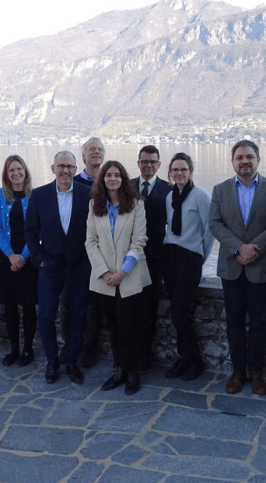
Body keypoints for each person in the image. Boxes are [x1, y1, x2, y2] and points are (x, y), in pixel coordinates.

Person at [209, 141, 266, 395]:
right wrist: (238, 248)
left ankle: (256, 372)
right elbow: (215, 223)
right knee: (233, 322)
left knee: (259, 322)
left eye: (249, 157)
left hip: (262, 266)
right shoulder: (220, 190)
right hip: (232, 266)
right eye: (239, 157)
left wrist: (254, 248)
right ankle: (237, 371)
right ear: (233, 161)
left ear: (258, 160)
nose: (245, 161)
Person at [25, 151, 92, 384]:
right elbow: (30, 232)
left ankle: (72, 362)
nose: (65, 170)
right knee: (45, 317)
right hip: (49, 266)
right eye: (61, 166)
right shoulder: (39, 195)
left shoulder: (87, 193)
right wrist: (40, 260)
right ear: (53, 168)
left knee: (79, 316)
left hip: (79, 266)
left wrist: (88, 262)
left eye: (69, 166)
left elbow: (95, 230)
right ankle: (52, 362)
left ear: (75, 169)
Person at [86, 161, 150, 395]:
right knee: (113, 328)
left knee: (129, 327)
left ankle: (132, 373)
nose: (112, 178)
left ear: (123, 179)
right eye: (108, 175)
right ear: (102, 179)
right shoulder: (94, 205)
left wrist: (122, 272)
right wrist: (104, 272)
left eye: (117, 175)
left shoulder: (136, 205)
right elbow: (90, 242)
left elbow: (139, 241)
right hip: (104, 280)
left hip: (129, 277)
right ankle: (119, 370)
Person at [162, 152, 215, 381]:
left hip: (190, 257)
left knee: (180, 311)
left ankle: (194, 361)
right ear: (170, 172)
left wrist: (199, 257)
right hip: (170, 256)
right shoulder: (169, 197)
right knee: (177, 313)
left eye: (184, 169)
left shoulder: (201, 196)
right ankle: (184, 358)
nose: (179, 173)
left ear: (191, 171)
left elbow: (209, 231)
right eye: (175, 170)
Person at [0, 155, 37, 367]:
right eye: (12, 170)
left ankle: (28, 349)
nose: (16, 173)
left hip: (28, 258)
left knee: (28, 305)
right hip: (5, 258)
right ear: (6, 174)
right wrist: (11, 255)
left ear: (25, 171)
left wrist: (23, 256)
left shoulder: (35, 196)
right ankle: (14, 349)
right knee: (9, 306)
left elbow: (37, 230)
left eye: (19, 169)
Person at [66, 136, 106, 368]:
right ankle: (70, 346)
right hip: (77, 253)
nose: (96, 152)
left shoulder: (111, 179)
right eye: (91, 149)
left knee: (96, 305)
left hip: (103, 252)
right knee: (71, 303)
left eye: (99, 149)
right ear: (83, 156)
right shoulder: (73, 182)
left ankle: (89, 349)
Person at [131, 145, 171, 373]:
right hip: (128, 259)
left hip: (155, 260)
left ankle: (144, 356)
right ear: (138, 163)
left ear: (158, 164)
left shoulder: (169, 190)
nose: (148, 165)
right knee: (128, 309)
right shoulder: (126, 187)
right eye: (144, 161)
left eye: (152, 162)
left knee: (149, 310)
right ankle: (127, 354)